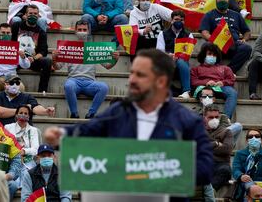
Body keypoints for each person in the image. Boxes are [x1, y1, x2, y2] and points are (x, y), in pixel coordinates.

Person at [44, 49, 214, 191]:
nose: (131, 80)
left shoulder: (188, 121)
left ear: (161, 81)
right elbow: (88, 131)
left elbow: (205, 169)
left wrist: (152, 169)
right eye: (132, 73)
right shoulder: (119, 111)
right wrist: (61, 134)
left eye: (140, 75)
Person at [52, 20, 119, 119]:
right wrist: (54, 58)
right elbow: (57, 67)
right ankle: (74, 113)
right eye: (79, 29)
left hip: (90, 82)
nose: (82, 31)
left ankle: (91, 113)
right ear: (75, 31)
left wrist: (115, 60)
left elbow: (108, 66)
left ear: (88, 31)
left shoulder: (94, 48)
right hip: (74, 81)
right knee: (68, 85)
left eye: (84, 29)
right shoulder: (68, 47)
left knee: (103, 87)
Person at [199, 0, 252, 74]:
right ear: (216, 0)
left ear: (228, 0)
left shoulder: (237, 15)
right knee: (206, 46)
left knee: (247, 48)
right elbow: (204, 32)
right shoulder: (209, 15)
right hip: (217, 46)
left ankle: (229, 71)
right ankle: (214, 70)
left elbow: (247, 32)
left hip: (234, 44)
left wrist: (244, 39)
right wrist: (214, 40)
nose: (222, 1)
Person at [11, 5, 53, 92]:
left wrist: (33, 59)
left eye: (35, 14)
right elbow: (10, 43)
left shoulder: (41, 32)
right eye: (30, 13)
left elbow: (43, 51)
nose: (33, 15)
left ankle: (42, 90)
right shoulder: (16, 26)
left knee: (47, 61)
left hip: (32, 60)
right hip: (17, 58)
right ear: (25, 15)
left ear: (38, 16)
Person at [191, 42, 237, 119]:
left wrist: (222, 83)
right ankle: (206, 118)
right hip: (204, 88)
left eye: (214, 55)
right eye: (209, 54)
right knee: (206, 94)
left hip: (220, 88)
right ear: (204, 55)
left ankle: (225, 119)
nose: (212, 56)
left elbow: (231, 80)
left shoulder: (225, 68)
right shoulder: (196, 69)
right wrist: (206, 83)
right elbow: (194, 81)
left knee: (232, 92)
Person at [156, 10, 192, 98]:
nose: (179, 22)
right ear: (171, 20)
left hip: (181, 63)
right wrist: (169, 56)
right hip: (167, 61)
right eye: (176, 19)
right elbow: (159, 51)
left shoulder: (189, 35)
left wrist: (179, 57)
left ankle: (186, 91)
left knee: (181, 61)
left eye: (181, 20)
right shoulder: (162, 34)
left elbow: (188, 54)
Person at [232, 129, 262, 200]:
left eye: (257, 136)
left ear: (261, 140)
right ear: (247, 140)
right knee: (250, 189)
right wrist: (241, 176)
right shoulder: (239, 154)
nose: (254, 138)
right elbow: (235, 169)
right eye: (250, 137)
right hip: (246, 184)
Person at [202, 104, 232, 192]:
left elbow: (227, 149)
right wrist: (216, 143)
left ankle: (208, 192)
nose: (214, 120)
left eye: (216, 117)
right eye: (211, 117)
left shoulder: (226, 131)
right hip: (202, 162)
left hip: (220, 164)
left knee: (226, 171)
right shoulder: (198, 130)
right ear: (204, 117)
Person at [4, 105, 41, 175]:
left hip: (28, 161)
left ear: (29, 116)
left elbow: (36, 150)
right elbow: (4, 146)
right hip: (11, 160)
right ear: (16, 115)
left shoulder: (33, 130)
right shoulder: (8, 127)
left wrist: (23, 151)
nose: (23, 115)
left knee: (26, 177)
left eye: (26, 113)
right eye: (20, 113)